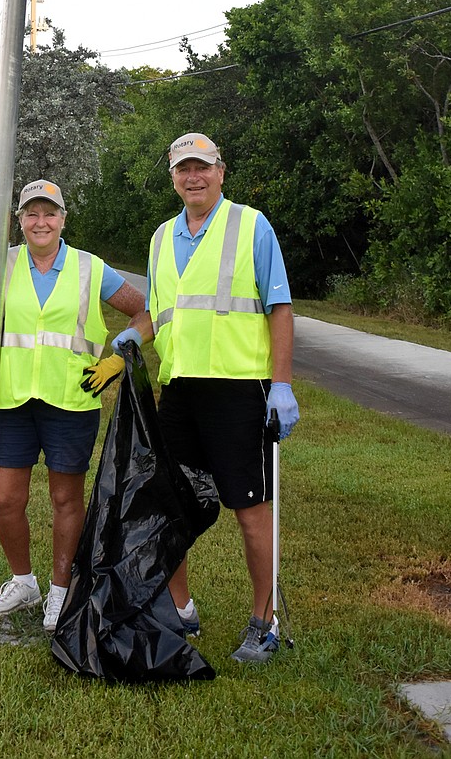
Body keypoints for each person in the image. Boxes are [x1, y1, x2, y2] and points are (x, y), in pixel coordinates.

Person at [113, 131, 299, 664]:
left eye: (202, 167)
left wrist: (280, 384)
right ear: (173, 178)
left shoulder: (250, 225)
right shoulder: (160, 238)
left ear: (221, 171)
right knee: (171, 508)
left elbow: (279, 309)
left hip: (240, 391)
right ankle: (179, 609)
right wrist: (133, 334)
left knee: (249, 510)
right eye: (182, 169)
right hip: (180, 391)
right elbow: (158, 312)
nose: (192, 177)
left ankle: (264, 622)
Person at [0, 178, 150, 633]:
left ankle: (60, 590)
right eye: (32, 213)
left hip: (71, 398)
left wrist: (117, 357)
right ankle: (23, 581)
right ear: (20, 221)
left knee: (65, 497)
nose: (41, 221)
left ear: (63, 219)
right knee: (6, 498)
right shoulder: (1, 264)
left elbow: (146, 311)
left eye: (50, 213)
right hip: (10, 399)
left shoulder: (90, 268)